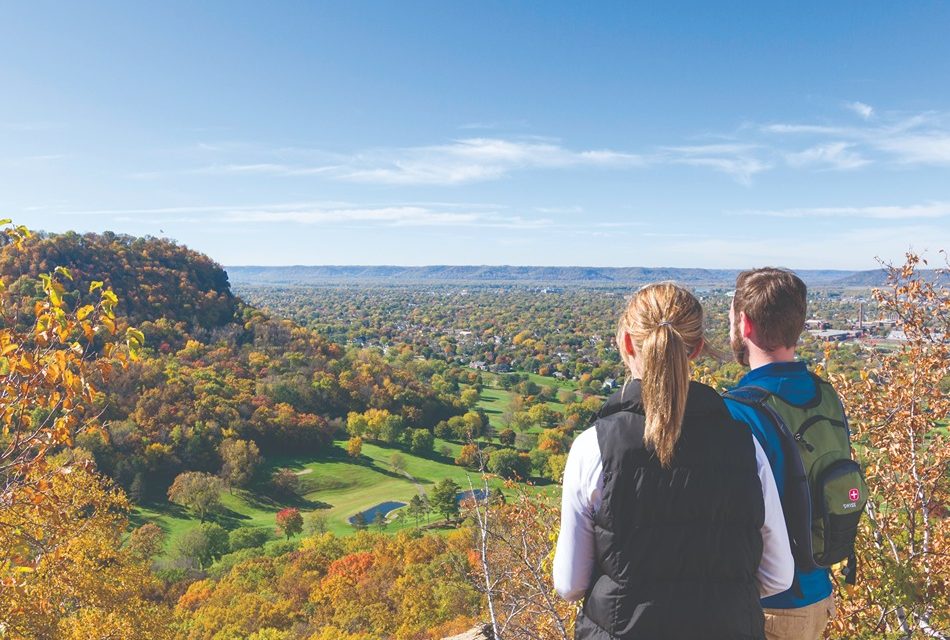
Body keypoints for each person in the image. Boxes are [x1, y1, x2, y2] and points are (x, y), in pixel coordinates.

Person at [554, 282, 793, 640]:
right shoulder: (745, 444)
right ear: (697, 349)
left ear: (628, 343)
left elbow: (569, 583)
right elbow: (778, 575)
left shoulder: (594, 448)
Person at [723, 268, 841, 640]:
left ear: (744, 324)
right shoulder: (826, 397)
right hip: (819, 595)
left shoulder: (738, 411)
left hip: (770, 607)